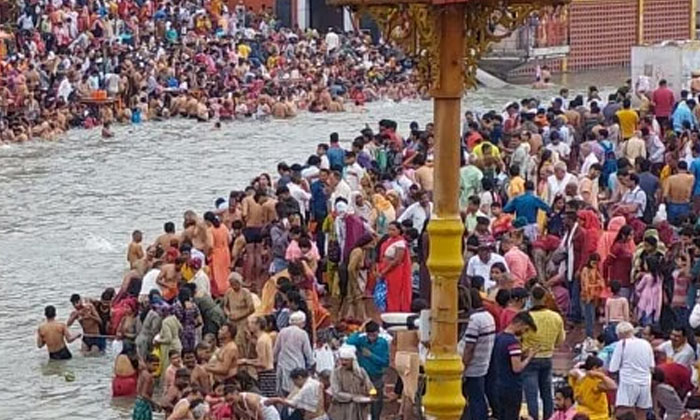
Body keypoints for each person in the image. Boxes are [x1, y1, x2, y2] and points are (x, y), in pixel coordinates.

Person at [522, 286, 566, 420]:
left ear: (531, 298)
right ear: (545, 298)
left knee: (531, 395)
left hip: (530, 358)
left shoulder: (526, 317)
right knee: (547, 394)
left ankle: (533, 418)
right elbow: (560, 340)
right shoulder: (555, 317)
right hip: (547, 357)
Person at [489, 311, 538, 420]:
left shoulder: (499, 337)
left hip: (498, 384)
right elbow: (517, 368)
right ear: (520, 324)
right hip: (511, 386)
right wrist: (530, 356)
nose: (524, 333)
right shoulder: (513, 343)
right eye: (525, 329)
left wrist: (521, 354)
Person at [460, 288, 495, 420]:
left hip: (473, 367)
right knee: (478, 397)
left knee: (474, 399)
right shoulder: (488, 316)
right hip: (482, 363)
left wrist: (463, 367)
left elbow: (469, 347)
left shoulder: (475, 320)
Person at [609, 321, 655, 420]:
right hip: (645, 383)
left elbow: (613, 368)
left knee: (624, 414)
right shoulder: (646, 344)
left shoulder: (622, 344)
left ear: (620, 334)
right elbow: (652, 367)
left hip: (628, 382)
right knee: (641, 414)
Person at [346, 321, 390, 420]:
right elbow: (349, 341)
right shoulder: (361, 341)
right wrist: (359, 330)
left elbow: (385, 362)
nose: (371, 337)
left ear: (378, 333)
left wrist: (371, 355)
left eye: (374, 335)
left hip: (375, 378)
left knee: (375, 402)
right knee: (361, 402)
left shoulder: (383, 343)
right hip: (362, 378)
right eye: (369, 335)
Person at [274, 311, 314, 396]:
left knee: (283, 393)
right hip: (297, 366)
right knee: (296, 393)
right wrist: (312, 364)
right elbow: (308, 352)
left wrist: (274, 361)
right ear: (302, 322)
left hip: (283, 365)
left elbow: (276, 350)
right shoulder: (302, 334)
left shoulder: (282, 332)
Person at [328, 346, 374, 420]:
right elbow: (336, 392)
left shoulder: (361, 372)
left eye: (346, 360)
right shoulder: (336, 373)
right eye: (342, 360)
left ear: (352, 361)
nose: (343, 362)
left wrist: (372, 394)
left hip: (360, 409)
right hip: (342, 409)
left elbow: (370, 387)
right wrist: (352, 397)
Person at [378, 222, 412, 312]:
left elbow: (397, 260)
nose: (390, 232)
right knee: (387, 292)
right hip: (386, 270)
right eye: (389, 229)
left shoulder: (400, 243)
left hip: (394, 272)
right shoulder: (388, 240)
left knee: (394, 292)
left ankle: (394, 311)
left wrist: (384, 271)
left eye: (393, 230)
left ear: (399, 231)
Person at [569, 356, 617, 420]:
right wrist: (600, 376)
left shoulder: (578, 378)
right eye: (601, 367)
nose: (603, 370)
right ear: (595, 368)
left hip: (579, 414)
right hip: (597, 417)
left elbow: (572, 372)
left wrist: (581, 367)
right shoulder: (596, 383)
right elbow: (613, 386)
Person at [240, 316, 276, 397]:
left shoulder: (261, 341)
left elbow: (262, 363)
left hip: (266, 374)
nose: (250, 325)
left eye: (252, 323)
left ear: (258, 325)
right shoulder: (265, 337)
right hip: (268, 372)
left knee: (266, 400)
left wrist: (245, 362)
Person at [205, 211, 231, 297]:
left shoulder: (210, 230)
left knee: (218, 273)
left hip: (216, 253)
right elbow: (229, 238)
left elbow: (210, 245)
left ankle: (220, 291)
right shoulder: (223, 226)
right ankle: (228, 288)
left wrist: (208, 254)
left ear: (207, 221)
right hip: (226, 251)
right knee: (226, 271)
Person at [132, 354, 161, 420]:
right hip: (144, 404)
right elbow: (144, 394)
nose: (156, 367)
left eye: (157, 365)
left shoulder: (142, 372)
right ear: (147, 363)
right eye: (154, 365)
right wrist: (155, 404)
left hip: (138, 402)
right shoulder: (148, 376)